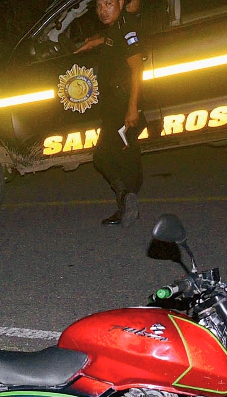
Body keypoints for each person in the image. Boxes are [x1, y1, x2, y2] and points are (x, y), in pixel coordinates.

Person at [77, 0, 145, 227]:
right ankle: (126, 205)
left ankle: (126, 198)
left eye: (108, 4)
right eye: (98, 6)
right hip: (114, 103)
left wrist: (132, 107)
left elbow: (137, 69)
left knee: (105, 156)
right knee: (124, 155)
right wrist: (96, 42)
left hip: (122, 104)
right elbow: (112, 40)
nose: (102, 10)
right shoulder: (117, 27)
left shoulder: (126, 28)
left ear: (121, 3)